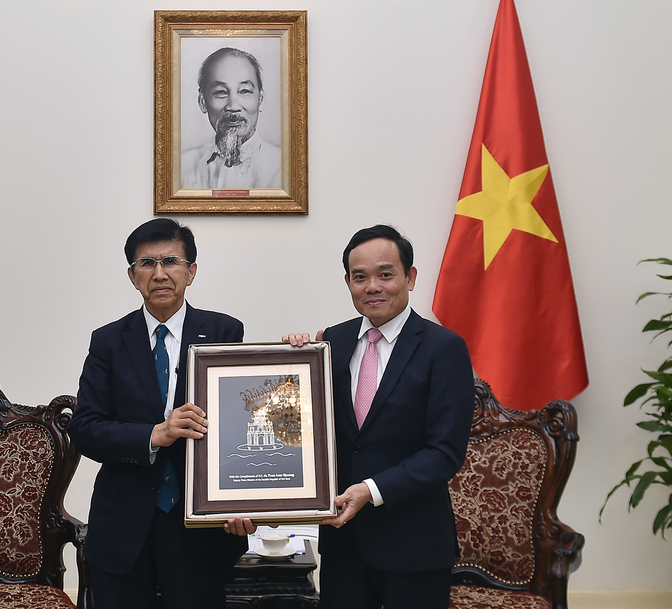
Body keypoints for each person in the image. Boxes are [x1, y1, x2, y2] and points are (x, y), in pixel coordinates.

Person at [285, 224, 475, 609]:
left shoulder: (445, 348)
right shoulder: (331, 342)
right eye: (360, 277)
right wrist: (290, 364)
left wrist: (369, 491)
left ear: (410, 277)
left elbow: (444, 453)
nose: (372, 286)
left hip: (415, 545)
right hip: (344, 543)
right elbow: (306, 429)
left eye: (385, 274)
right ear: (348, 282)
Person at [69, 218, 255, 609]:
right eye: (146, 264)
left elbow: (243, 425)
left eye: (170, 261)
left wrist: (247, 501)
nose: (159, 273)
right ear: (132, 276)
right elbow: (85, 428)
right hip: (125, 521)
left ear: (191, 271)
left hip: (201, 523)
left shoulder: (224, 331)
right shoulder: (108, 342)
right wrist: (155, 434)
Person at [181, 47, 282, 190]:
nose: (233, 106)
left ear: (261, 99)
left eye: (244, 91)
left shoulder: (285, 168)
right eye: (221, 92)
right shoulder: (181, 167)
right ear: (202, 102)